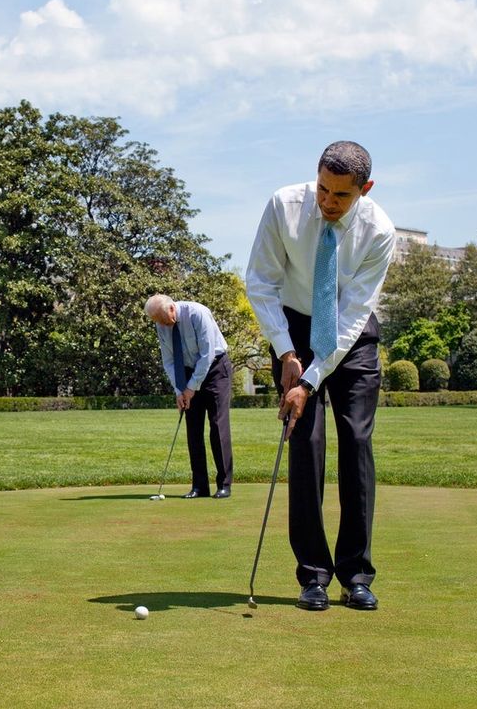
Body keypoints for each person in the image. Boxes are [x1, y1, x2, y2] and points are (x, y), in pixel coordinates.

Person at [246, 141, 395, 611]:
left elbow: (351, 316)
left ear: (365, 189)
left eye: (341, 195)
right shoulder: (283, 205)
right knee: (305, 444)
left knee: (356, 443)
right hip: (292, 326)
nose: (328, 201)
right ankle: (313, 576)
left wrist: (310, 380)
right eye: (323, 189)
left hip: (351, 335)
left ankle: (356, 575)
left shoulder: (379, 231)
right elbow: (261, 283)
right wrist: (286, 350)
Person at [145, 294, 234, 499]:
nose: (162, 325)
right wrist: (180, 390)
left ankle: (224, 484)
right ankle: (199, 486)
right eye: (157, 322)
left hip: (215, 370)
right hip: (186, 373)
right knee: (193, 429)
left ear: (171, 309)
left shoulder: (197, 313)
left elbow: (207, 354)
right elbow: (169, 361)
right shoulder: (161, 324)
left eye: (163, 320)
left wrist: (191, 387)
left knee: (218, 426)